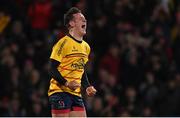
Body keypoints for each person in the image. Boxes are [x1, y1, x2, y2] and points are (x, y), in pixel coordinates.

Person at [48, 7, 97, 117]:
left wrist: (87, 86)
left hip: (76, 94)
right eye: (81, 19)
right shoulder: (63, 43)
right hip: (59, 92)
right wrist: (67, 83)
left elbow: (81, 69)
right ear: (72, 23)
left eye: (85, 19)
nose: (85, 21)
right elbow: (51, 69)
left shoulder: (86, 47)